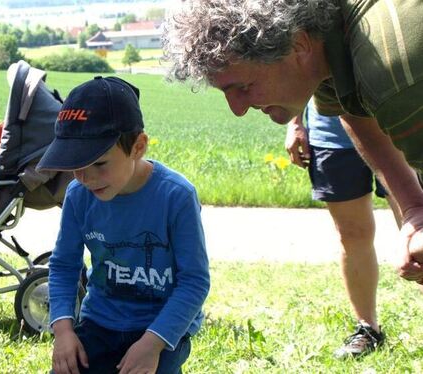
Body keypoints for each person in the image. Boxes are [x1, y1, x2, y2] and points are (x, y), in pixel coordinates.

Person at [162, 0, 423, 284]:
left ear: (298, 45)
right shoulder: (324, 41)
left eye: (244, 87)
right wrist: (413, 206)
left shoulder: (396, 77)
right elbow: (349, 108)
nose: (237, 110)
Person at [36, 76, 210, 374]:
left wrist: (152, 344)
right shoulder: (79, 196)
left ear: (138, 146)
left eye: (99, 164)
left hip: (161, 329)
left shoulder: (176, 196)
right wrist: (64, 331)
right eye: (76, 165)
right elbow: (64, 265)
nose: (86, 177)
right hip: (100, 322)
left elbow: (194, 281)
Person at [286, 102, 402, 358]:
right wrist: (295, 123)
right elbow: (296, 64)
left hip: (396, 126)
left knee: (415, 230)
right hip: (331, 134)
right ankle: (367, 329)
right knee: (351, 234)